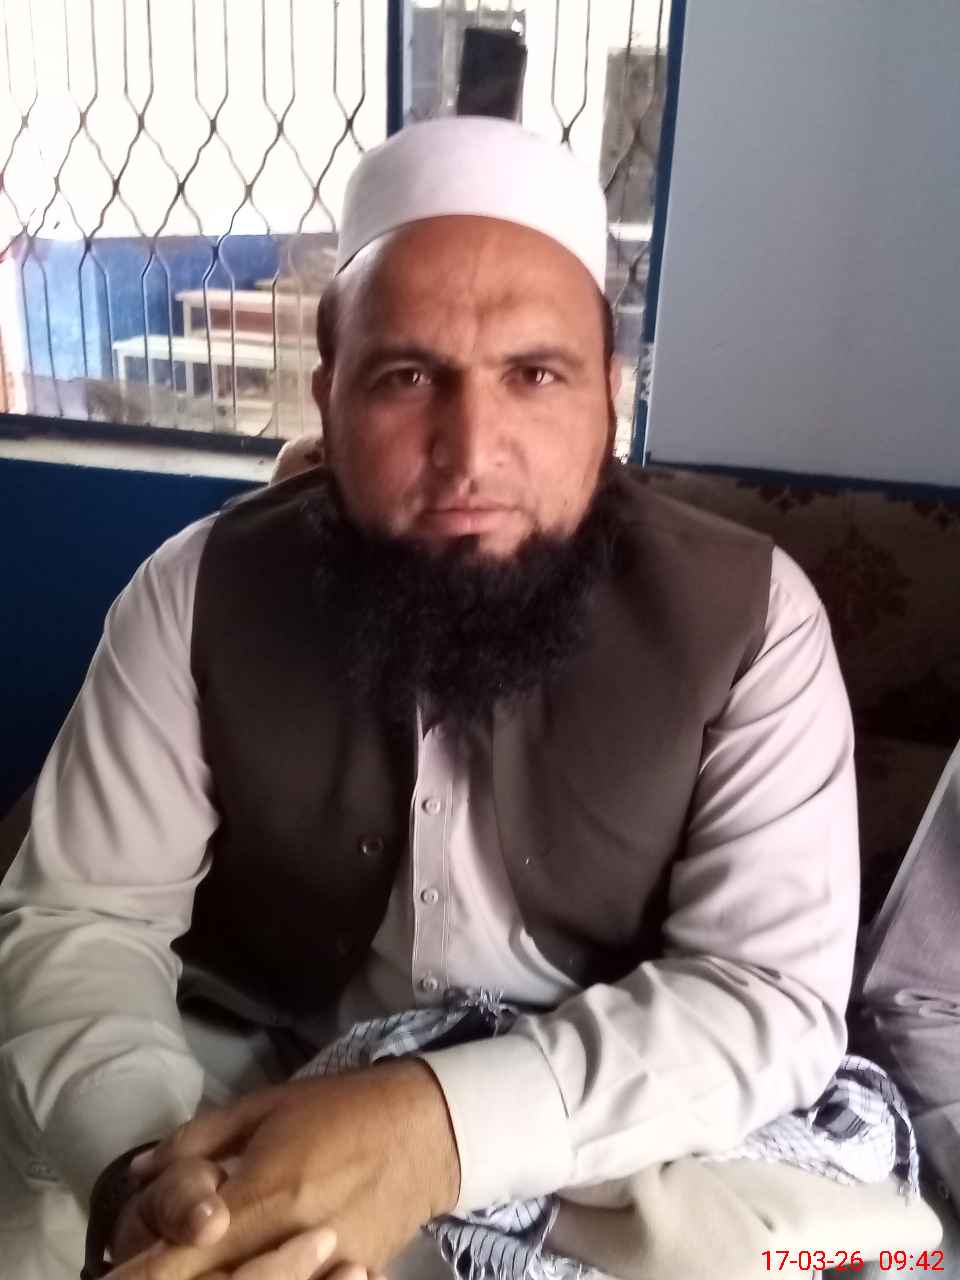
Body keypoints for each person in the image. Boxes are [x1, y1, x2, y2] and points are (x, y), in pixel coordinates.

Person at [0, 116, 938, 1280]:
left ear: (608, 398)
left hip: (589, 1107)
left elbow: (764, 992)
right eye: (406, 377)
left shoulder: (753, 617)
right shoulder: (195, 590)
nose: (470, 449)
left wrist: (431, 1130)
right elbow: (82, 917)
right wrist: (154, 1177)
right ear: (329, 397)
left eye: (535, 375)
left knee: (838, 1245)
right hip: (252, 1072)